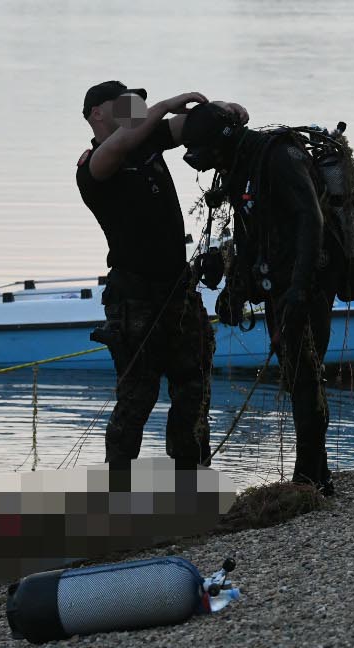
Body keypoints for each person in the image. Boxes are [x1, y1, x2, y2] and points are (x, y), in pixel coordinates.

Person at [176, 102, 348, 495]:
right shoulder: (241, 163)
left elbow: (312, 219)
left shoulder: (279, 157)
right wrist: (235, 288)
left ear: (223, 141)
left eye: (207, 155)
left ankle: (310, 479)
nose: (209, 165)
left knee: (305, 374)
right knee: (295, 372)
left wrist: (300, 289)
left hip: (309, 278)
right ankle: (315, 473)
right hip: (278, 280)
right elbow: (248, 230)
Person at [76, 81, 248, 470]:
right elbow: (118, 146)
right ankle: (118, 488)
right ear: (97, 113)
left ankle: (191, 480)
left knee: (193, 386)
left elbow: (194, 124)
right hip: (134, 298)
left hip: (177, 291)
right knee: (138, 395)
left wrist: (224, 110)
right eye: (123, 103)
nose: (135, 107)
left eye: (137, 102)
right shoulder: (93, 165)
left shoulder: (149, 140)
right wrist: (167, 103)